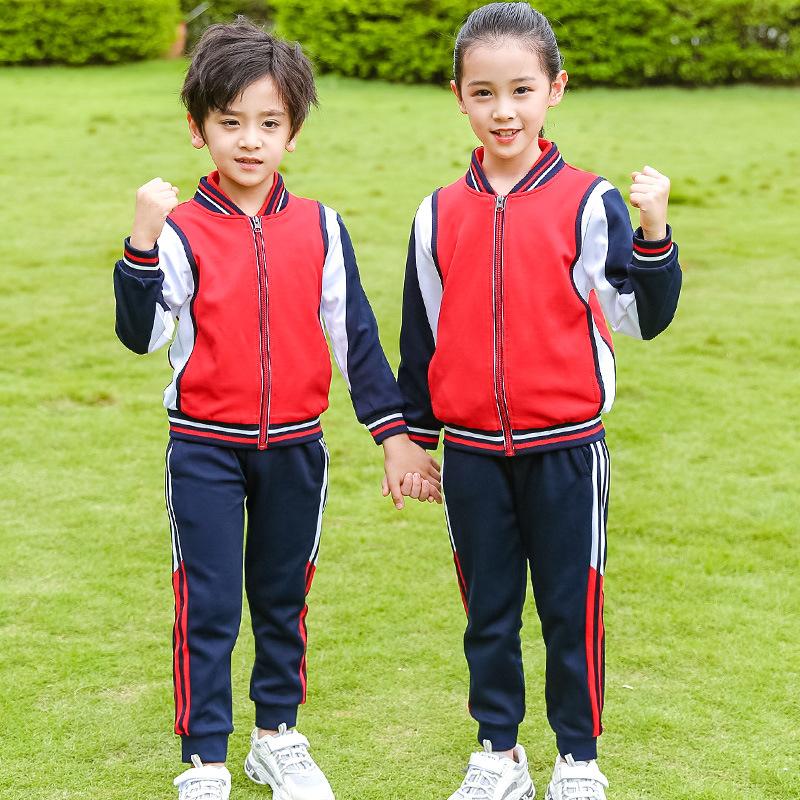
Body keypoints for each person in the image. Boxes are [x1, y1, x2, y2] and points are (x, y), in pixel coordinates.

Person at [113, 19, 441, 800]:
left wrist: (394, 437)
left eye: (269, 123)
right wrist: (142, 241)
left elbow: (355, 336)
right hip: (203, 450)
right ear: (199, 130)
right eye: (230, 123)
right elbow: (142, 333)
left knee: (283, 595)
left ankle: (277, 737)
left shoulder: (320, 226)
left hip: (296, 448)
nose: (249, 141)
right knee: (211, 599)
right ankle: (205, 758)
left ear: (292, 131)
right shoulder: (183, 231)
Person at [397, 4, 682, 799]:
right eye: (483, 93)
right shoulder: (436, 213)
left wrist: (654, 232)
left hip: (568, 448)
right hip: (474, 455)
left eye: (521, 90)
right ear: (459, 96)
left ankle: (577, 761)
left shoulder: (591, 202)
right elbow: (422, 331)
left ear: (555, 89)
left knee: (569, 607)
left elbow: (641, 316)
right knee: (487, 611)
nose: (504, 111)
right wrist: (413, 437)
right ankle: (499, 754)